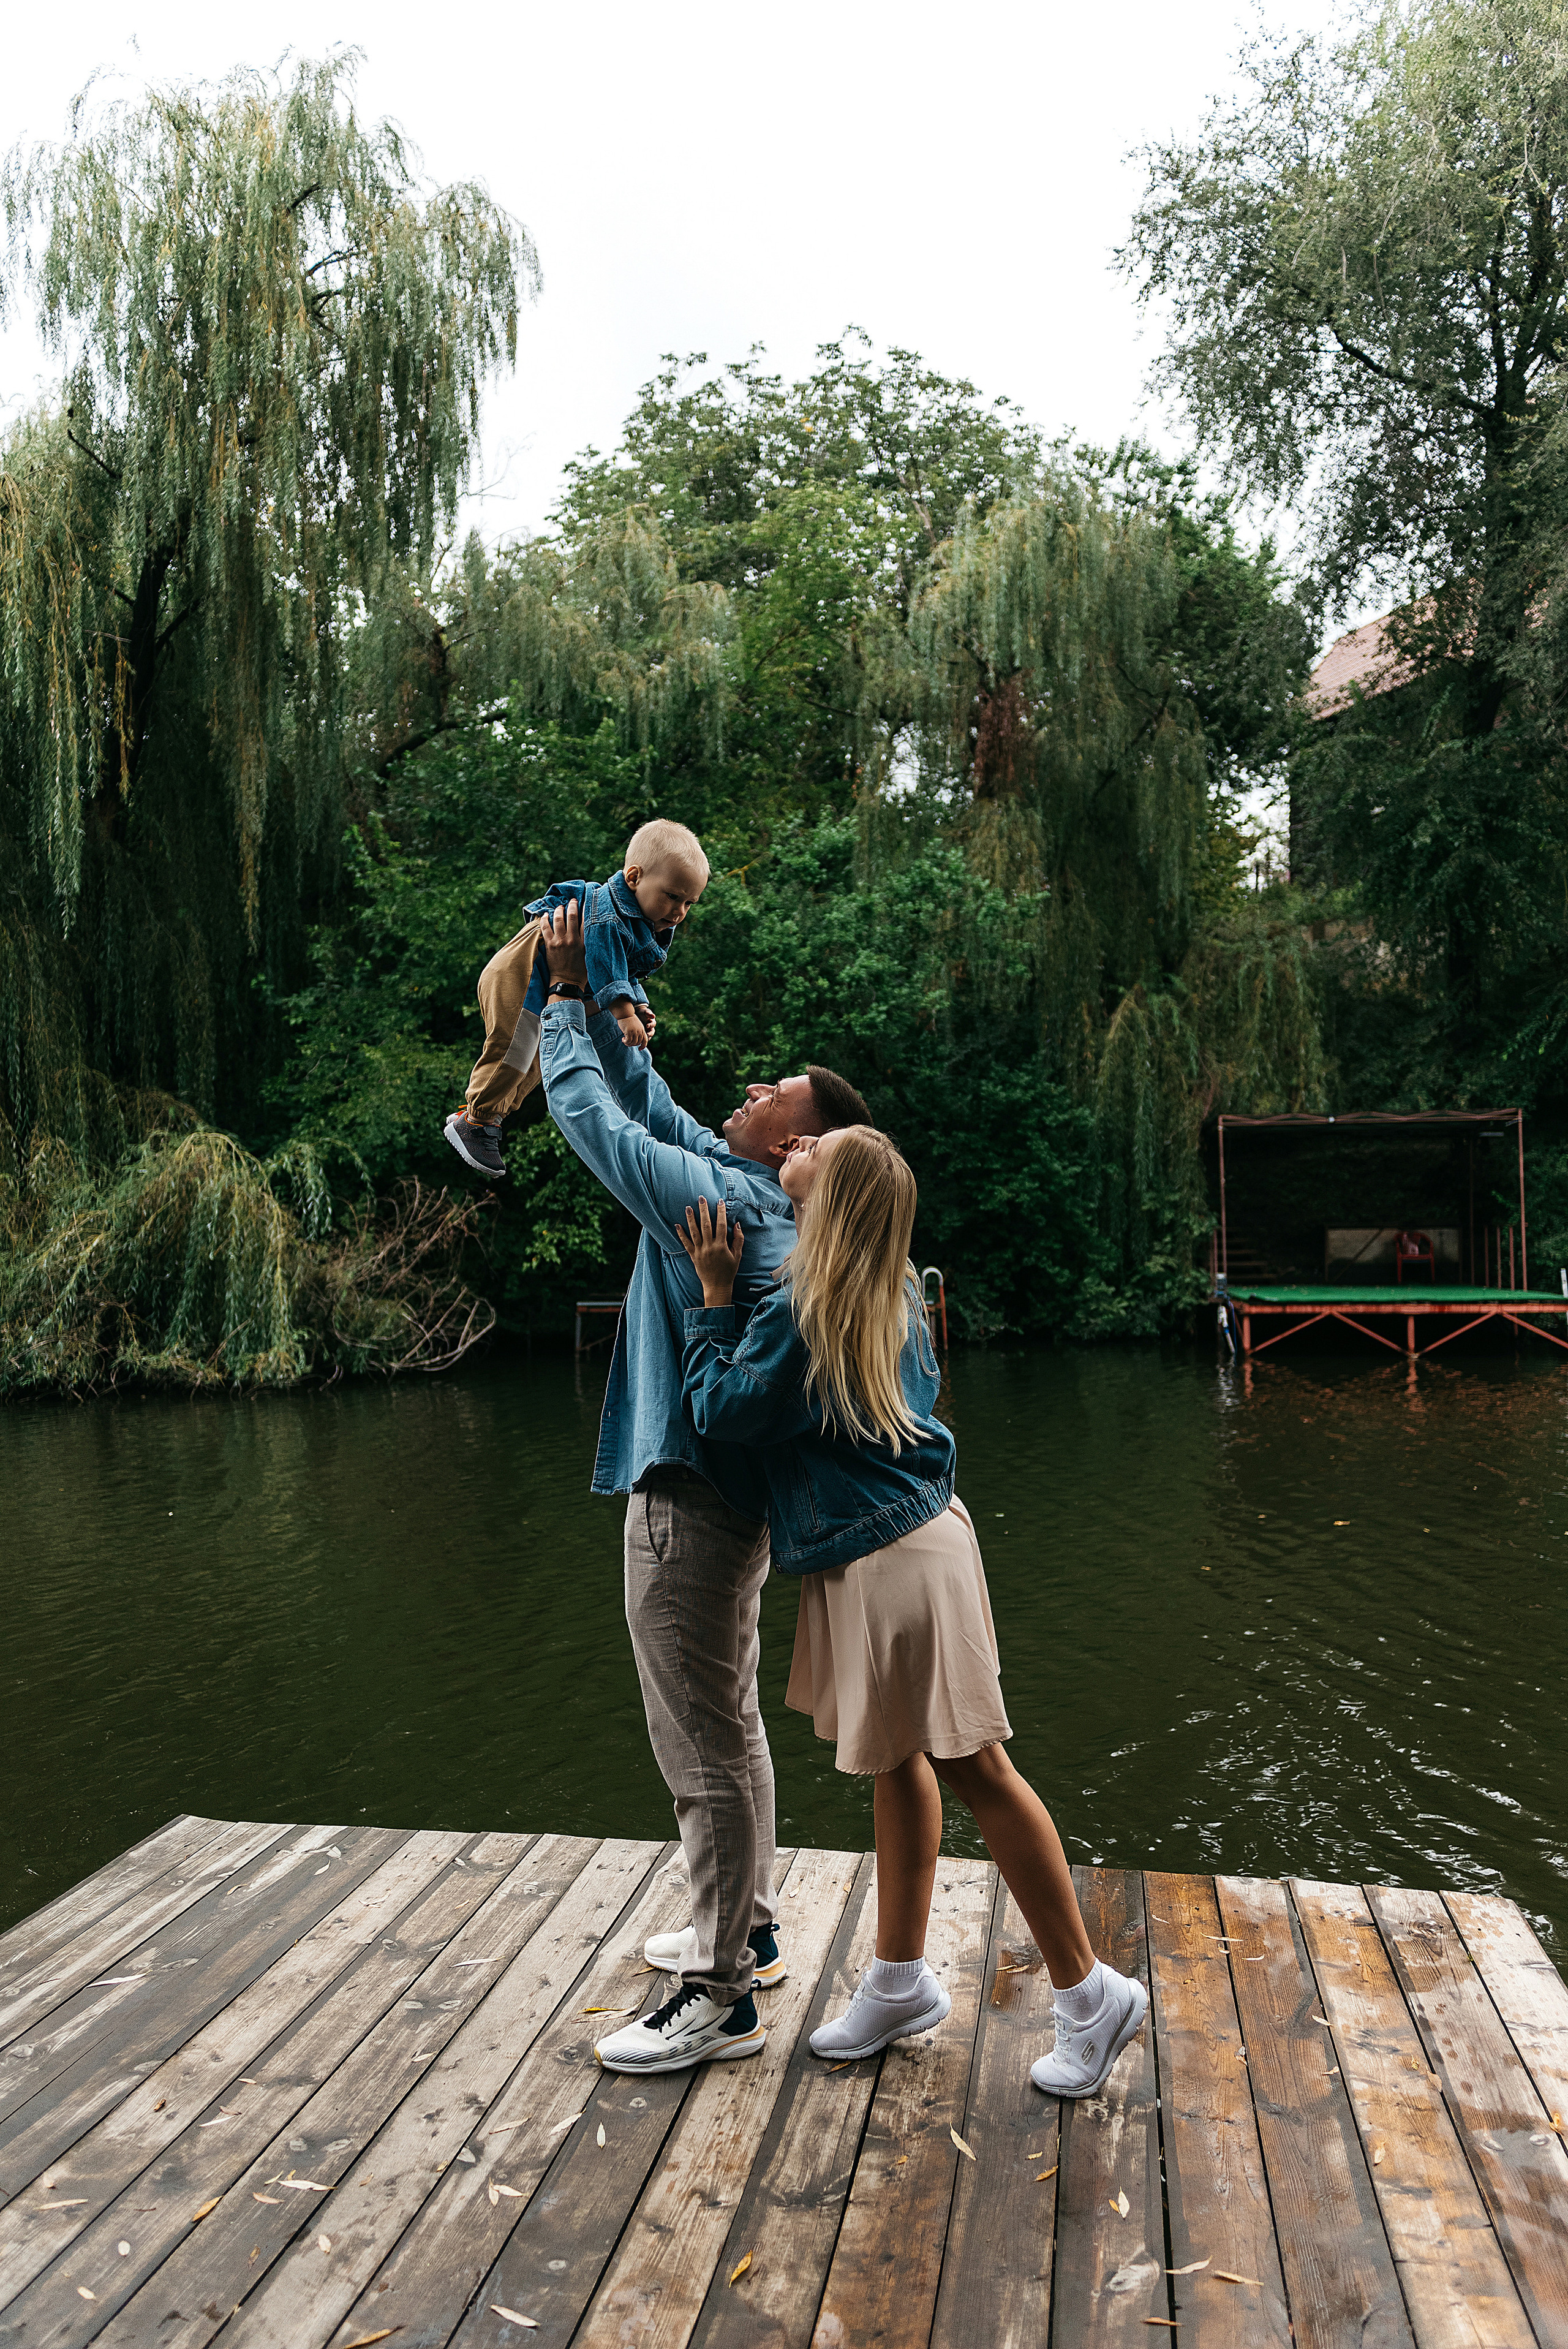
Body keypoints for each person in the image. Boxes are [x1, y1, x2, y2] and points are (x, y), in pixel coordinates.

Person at [675, 1130, 1148, 2096]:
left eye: (820, 1143)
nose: (798, 1140)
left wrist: (715, 1297)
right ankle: (897, 1980)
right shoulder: (880, 1291)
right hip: (899, 1547)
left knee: (977, 1765)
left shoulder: (807, 1307)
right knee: (899, 1760)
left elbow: (723, 1410)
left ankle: (1090, 1993)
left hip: (892, 1561)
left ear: (832, 1194)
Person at [533, 899, 873, 2076]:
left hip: (691, 1506)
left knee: (702, 1741)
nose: (751, 1087)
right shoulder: (750, 1187)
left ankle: (721, 1993)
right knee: (723, 1721)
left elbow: (591, 1119)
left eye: (776, 1087)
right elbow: (652, 1105)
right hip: (723, 1506)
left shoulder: (725, 1210)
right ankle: (754, 1922)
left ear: (796, 1142)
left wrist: (567, 1003)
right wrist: (620, 1024)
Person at [443, 819, 709, 1181]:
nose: (679, 911)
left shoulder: (640, 923)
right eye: (672, 896)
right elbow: (604, 961)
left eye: (689, 903)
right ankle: (477, 1120)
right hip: (525, 971)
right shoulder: (606, 915)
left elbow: (624, 969)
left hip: (546, 981)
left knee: (537, 1061)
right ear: (634, 878)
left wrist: (639, 1005)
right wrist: (624, 1012)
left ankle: (488, 1119)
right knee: (514, 1050)